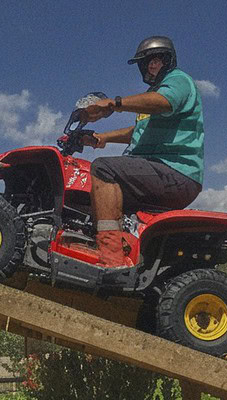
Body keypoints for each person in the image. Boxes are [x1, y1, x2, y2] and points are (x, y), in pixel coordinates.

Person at [81, 36, 204, 268]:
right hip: (160, 172)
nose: (151, 66)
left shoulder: (177, 81)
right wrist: (102, 138)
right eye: (146, 62)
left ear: (168, 60)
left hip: (175, 171)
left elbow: (164, 102)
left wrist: (113, 104)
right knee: (95, 199)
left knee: (104, 168)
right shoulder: (155, 94)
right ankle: (126, 250)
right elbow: (139, 130)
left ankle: (111, 258)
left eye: (156, 60)